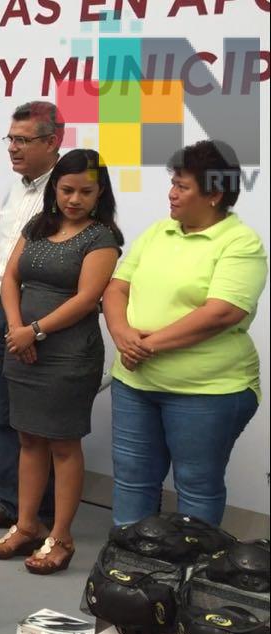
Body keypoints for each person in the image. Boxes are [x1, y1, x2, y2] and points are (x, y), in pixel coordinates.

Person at [104, 139, 266, 527]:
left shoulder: (240, 242)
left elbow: (222, 311)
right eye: (173, 184)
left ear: (213, 195)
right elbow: (116, 287)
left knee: (195, 485)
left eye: (182, 186)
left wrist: (145, 346)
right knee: (132, 480)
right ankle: (128, 570)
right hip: (134, 383)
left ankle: (190, 577)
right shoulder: (160, 232)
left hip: (207, 390)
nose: (172, 194)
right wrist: (122, 333)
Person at [0, 149, 122, 574]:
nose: (74, 199)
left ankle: (61, 536)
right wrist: (16, 327)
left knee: (63, 444)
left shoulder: (102, 237)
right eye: (66, 190)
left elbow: (87, 299)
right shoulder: (38, 225)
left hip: (67, 354)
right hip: (22, 345)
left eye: (85, 191)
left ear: (100, 193)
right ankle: (26, 524)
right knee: (28, 437)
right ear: (54, 189)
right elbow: (11, 277)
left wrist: (37, 331)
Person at [0, 101, 63, 531]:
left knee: (38, 419)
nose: (13, 149)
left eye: (23, 140)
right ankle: (8, 501)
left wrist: (27, 321)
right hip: (2, 310)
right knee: (3, 412)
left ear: (52, 141)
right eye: (11, 139)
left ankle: (41, 513)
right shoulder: (18, 187)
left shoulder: (69, 187)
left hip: (39, 316)